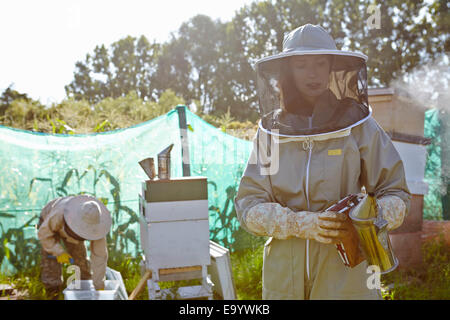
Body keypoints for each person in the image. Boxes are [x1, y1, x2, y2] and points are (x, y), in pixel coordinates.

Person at [235, 24, 411, 300]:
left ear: (331, 68)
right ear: (288, 72)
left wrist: (361, 221)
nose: (312, 73)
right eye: (301, 65)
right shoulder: (271, 132)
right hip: (284, 276)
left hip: (346, 275)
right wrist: (301, 224)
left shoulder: (359, 126)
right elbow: (249, 206)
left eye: (320, 63)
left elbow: (397, 195)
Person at [37, 195, 112, 298]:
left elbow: (100, 257)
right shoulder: (59, 214)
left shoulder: (99, 227)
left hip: (69, 232)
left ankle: (85, 292)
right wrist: (59, 252)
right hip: (49, 223)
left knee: (81, 262)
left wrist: (99, 287)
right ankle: (52, 292)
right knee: (51, 262)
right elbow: (44, 235)